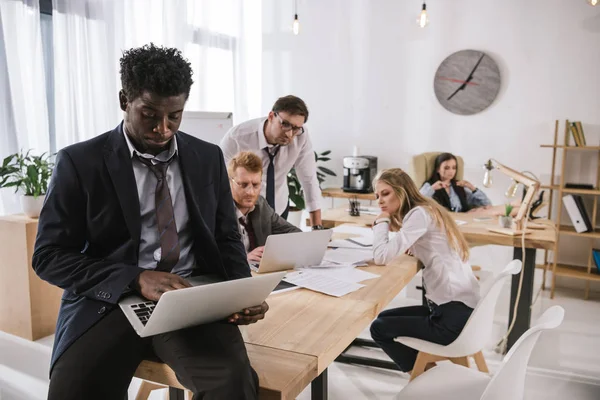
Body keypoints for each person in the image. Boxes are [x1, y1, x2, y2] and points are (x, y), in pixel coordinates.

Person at [32, 44, 266, 400]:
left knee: (232, 386)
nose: (163, 127)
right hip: (107, 302)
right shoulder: (80, 163)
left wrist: (241, 292)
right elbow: (48, 256)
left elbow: (225, 238)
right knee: (73, 390)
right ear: (124, 99)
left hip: (190, 298)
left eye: (175, 115)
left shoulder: (207, 158)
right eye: (149, 114)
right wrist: (135, 278)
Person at [369, 168, 480, 373]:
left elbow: (381, 256)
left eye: (386, 193)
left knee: (378, 328)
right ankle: (424, 371)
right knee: (383, 318)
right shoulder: (426, 209)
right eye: (377, 196)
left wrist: (381, 221)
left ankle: (424, 375)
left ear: (402, 191)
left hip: (450, 321)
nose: (380, 201)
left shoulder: (418, 214)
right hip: (459, 309)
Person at [220, 95, 324, 229]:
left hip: (279, 209)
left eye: (296, 128)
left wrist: (317, 227)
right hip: (245, 212)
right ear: (271, 116)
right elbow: (220, 182)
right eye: (285, 124)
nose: (289, 134)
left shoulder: (301, 136)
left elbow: (309, 180)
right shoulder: (236, 138)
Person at [228, 151, 301, 264]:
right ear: (229, 182)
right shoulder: (217, 210)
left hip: (258, 273)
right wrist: (244, 258)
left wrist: (271, 252)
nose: (250, 192)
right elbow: (207, 255)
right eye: (243, 184)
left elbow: (294, 232)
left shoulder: (261, 204)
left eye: (256, 185)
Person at [420, 152, 492, 212]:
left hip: (462, 222)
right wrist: (432, 188)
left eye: (454, 168)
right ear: (438, 169)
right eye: (447, 168)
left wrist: (472, 188)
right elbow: (418, 202)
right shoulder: (430, 186)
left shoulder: (459, 186)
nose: (451, 171)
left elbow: (487, 204)